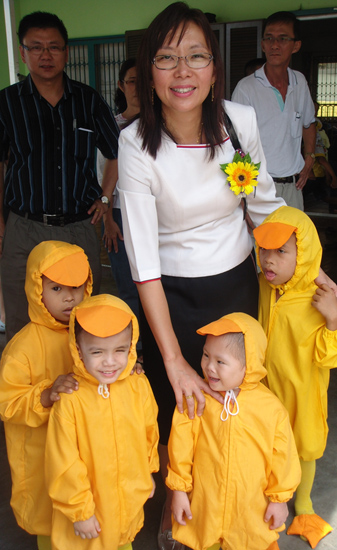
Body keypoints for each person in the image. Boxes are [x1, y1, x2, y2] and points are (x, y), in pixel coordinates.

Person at [117, 3, 285, 547]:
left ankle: (235, 508)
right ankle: (180, 515)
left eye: (196, 57)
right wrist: (172, 360)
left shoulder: (240, 122)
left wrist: (311, 269)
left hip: (236, 285)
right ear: (148, 72)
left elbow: (263, 207)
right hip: (169, 297)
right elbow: (143, 261)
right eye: (167, 59)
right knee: (180, 409)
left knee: (234, 403)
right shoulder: (136, 144)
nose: (182, 72)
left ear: (214, 68)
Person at [0, 11, 119, 341]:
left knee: (80, 318)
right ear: (23, 53)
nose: (45, 55)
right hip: (23, 227)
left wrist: (105, 198)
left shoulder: (89, 101)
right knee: (23, 320)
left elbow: (116, 152)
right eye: (36, 47)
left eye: (54, 47)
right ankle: (26, 389)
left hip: (78, 227)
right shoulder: (6, 103)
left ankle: (78, 387)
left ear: (66, 52)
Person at [166, 312, 301, 550]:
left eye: (220, 362)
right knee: (203, 541)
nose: (209, 367)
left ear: (249, 364)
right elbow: (181, 447)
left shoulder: (271, 409)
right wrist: (179, 491)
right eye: (206, 355)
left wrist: (280, 500)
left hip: (250, 509)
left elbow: (284, 457)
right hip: (205, 503)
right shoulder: (198, 399)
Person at [45, 294, 159, 550]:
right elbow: (63, 463)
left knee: (122, 541)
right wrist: (80, 511)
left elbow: (149, 434)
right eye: (97, 352)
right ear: (78, 349)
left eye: (120, 350)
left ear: (131, 346)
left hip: (125, 506)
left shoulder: (138, 386)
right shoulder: (71, 399)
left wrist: (147, 472)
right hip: (87, 518)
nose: (110, 362)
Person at [0, 240, 92, 550]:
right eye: (56, 289)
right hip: (42, 464)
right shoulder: (21, 349)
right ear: (35, 288)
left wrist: (126, 368)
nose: (70, 297)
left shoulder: (91, 334)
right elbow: (7, 403)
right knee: (53, 528)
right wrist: (45, 395)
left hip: (87, 459)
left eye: (78, 287)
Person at [254, 205, 337, 547]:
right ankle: (269, 495)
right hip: (267, 387)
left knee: (304, 446)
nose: (269, 260)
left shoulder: (320, 298)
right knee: (269, 442)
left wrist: (333, 321)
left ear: (302, 256)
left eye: (281, 252)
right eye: (264, 250)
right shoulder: (265, 283)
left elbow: (328, 356)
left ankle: (303, 505)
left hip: (303, 391)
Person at [232, 11, 316, 211]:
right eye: (269, 38)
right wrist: (243, 197)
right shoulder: (246, 88)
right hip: (259, 189)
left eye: (282, 38)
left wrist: (310, 157)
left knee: (294, 241)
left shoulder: (300, 82)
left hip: (294, 188)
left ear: (296, 46)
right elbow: (233, 144)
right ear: (262, 44)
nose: (274, 45)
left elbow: (308, 123)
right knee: (260, 243)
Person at [97, 58, 142, 359]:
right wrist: (110, 221)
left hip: (155, 220)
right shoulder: (110, 127)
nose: (138, 88)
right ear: (120, 85)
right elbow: (102, 175)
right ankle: (135, 352)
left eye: (144, 80)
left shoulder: (161, 125)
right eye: (132, 81)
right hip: (120, 219)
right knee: (128, 287)